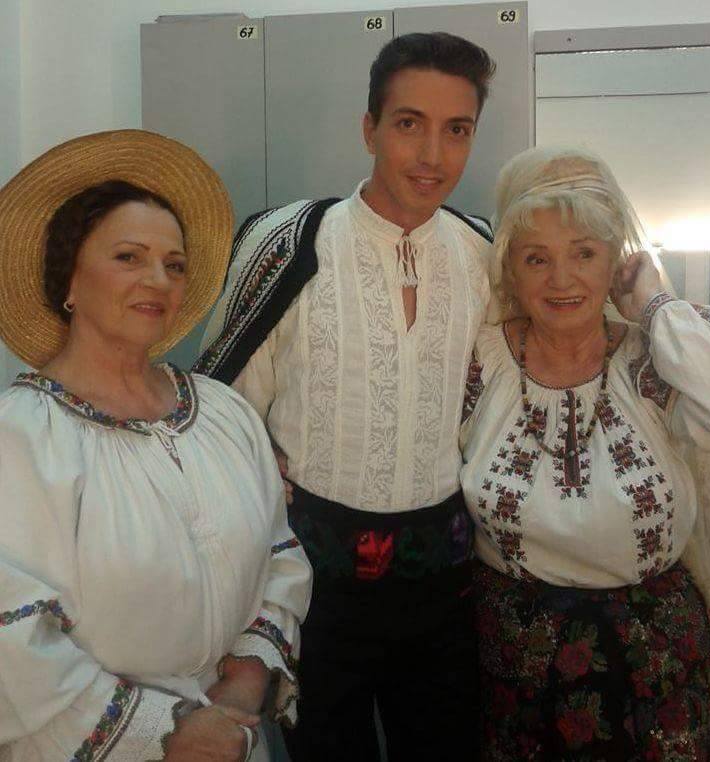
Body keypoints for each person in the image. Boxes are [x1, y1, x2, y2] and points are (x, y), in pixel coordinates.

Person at [195, 33, 496, 761]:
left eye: (456, 129)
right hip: (311, 587)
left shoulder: (484, 251)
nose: (432, 155)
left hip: (445, 587)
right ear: (369, 129)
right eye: (409, 123)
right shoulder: (288, 241)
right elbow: (216, 412)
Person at [0, 129, 311, 762]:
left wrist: (246, 680)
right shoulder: (21, 437)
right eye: (129, 257)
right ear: (68, 280)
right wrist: (165, 731)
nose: (159, 279)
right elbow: (14, 644)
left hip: (234, 735)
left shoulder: (223, 414)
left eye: (175, 264)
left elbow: (279, 559)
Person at [460, 145, 710, 759]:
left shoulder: (653, 358)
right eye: (537, 258)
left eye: (584, 253)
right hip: (518, 677)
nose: (562, 279)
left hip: (657, 673)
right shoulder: (480, 363)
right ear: (510, 270)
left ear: (614, 260)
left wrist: (655, 303)